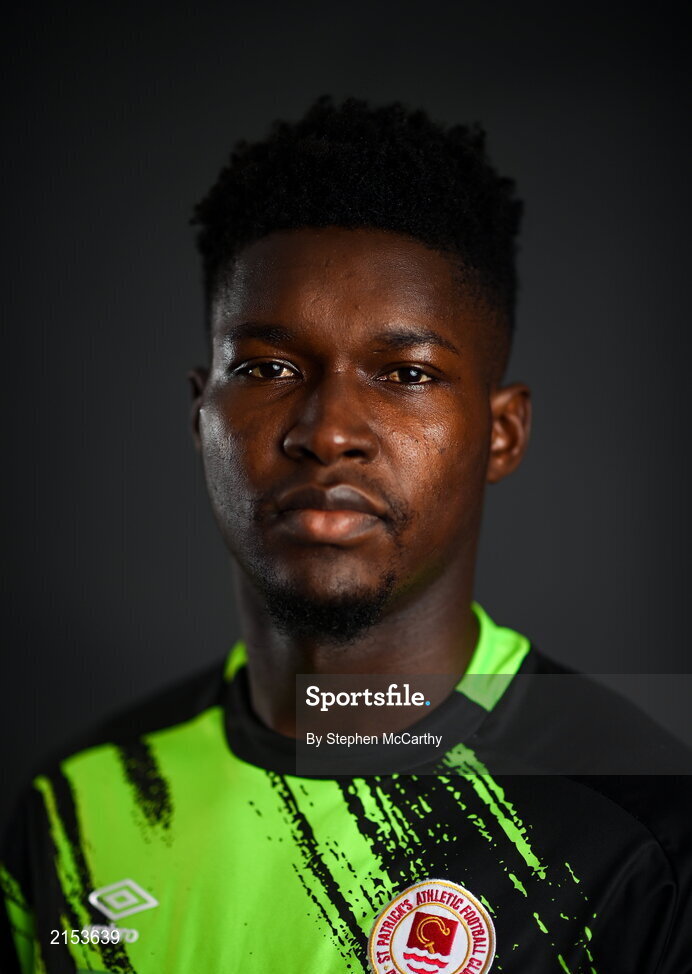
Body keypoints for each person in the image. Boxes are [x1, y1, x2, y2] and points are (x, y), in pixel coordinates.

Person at [2, 96, 690, 974]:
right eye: (268, 368)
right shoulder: (76, 815)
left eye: (404, 373)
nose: (327, 431)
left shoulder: (645, 831)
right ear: (198, 415)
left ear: (502, 433)